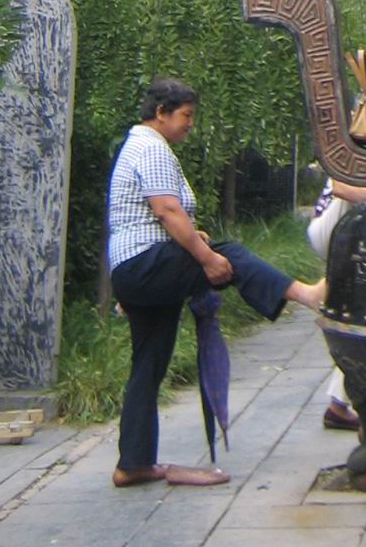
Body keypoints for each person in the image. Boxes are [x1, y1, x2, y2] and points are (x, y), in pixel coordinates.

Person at [108, 76, 326, 488]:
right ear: (161, 113)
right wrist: (207, 258)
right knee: (232, 255)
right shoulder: (150, 145)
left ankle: (133, 463)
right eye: (187, 116)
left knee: (148, 364)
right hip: (145, 265)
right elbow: (168, 212)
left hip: (134, 267)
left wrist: (197, 242)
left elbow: (163, 218)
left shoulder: (140, 145)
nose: (191, 124)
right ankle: (305, 295)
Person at [307, 177, 366, 429]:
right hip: (330, 227)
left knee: (364, 310)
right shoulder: (358, 151)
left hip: (352, 232)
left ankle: (338, 404)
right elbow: (342, 188)